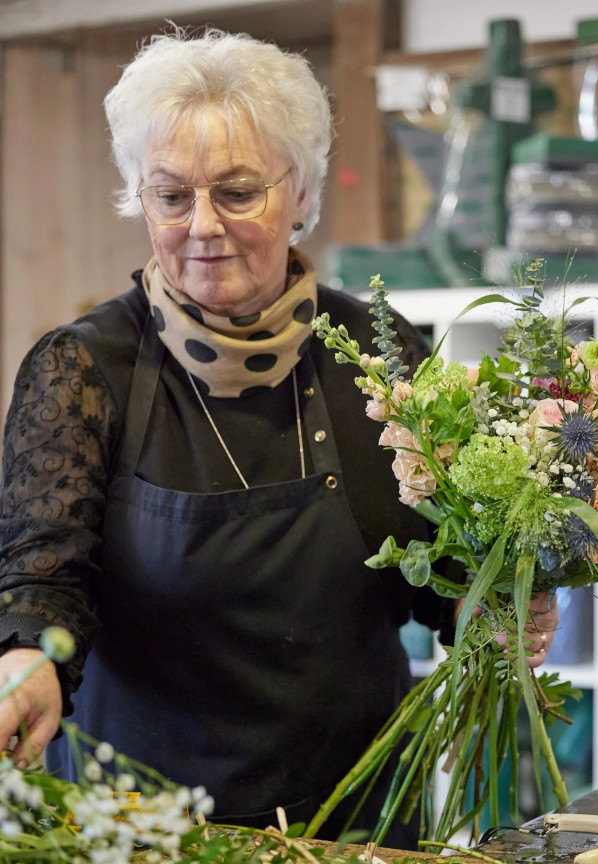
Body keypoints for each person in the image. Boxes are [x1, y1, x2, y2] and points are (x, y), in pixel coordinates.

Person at [0, 26, 558, 846]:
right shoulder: (84, 371)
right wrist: (26, 664)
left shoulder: (380, 348)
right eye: (170, 195)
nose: (202, 226)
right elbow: (40, 579)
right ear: (139, 196)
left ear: (300, 194)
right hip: (149, 829)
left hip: (360, 822)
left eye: (237, 191)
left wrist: (501, 601)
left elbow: (439, 561)